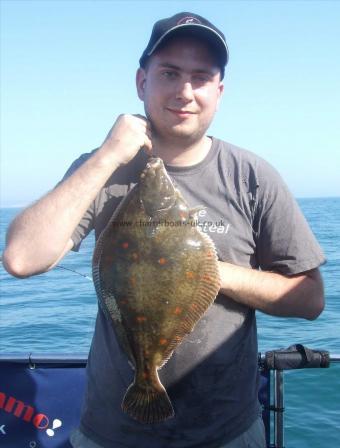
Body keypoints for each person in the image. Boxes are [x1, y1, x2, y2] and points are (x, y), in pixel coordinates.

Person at [3, 11, 325, 448]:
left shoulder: (253, 176)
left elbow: (310, 300)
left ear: (220, 91)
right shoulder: (100, 170)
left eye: (201, 77)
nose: (185, 91)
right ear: (142, 83)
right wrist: (106, 156)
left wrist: (210, 272)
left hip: (228, 433)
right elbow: (21, 258)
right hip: (110, 434)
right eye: (169, 73)